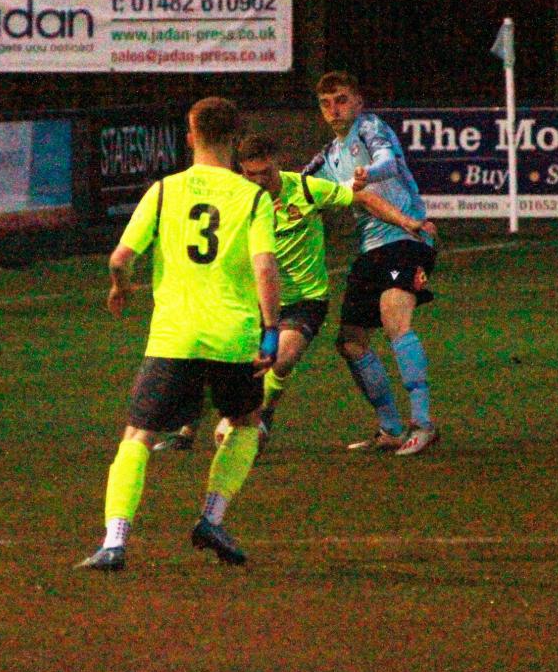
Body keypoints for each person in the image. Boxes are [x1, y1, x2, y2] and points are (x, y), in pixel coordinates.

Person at [76, 96, 281, 572]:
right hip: (234, 338)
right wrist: (271, 331)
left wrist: (120, 287)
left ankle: (114, 541)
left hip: (175, 337)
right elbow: (265, 267)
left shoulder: (164, 191)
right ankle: (211, 518)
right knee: (246, 423)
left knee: (138, 434)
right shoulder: (252, 197)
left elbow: (120, 259)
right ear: (235, 139)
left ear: (190, 138)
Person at [153, 132, 436, 453]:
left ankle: (258, 418)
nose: (260, 180)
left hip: (304, 300)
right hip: (254, 299)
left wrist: (406, 221)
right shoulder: (237, 198)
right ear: (241, 170)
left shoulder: (305, 188)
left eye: (266, 172)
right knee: (217, 363)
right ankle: (186, 432)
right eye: (252, 174)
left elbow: (362, 198)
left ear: (278, 163)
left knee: (281, 359)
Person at [305, 70, 440, 456]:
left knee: (395, 318)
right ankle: (391, 428)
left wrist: (369, 173)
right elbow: (299, 185)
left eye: (341, 100)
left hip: (407, 240)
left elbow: (387, 161)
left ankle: (423, 424)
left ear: (358, 102)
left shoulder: (370, 127)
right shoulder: (328, 156)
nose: (334, 109)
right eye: (326, 104)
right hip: (371, 251)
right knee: (350, 341)